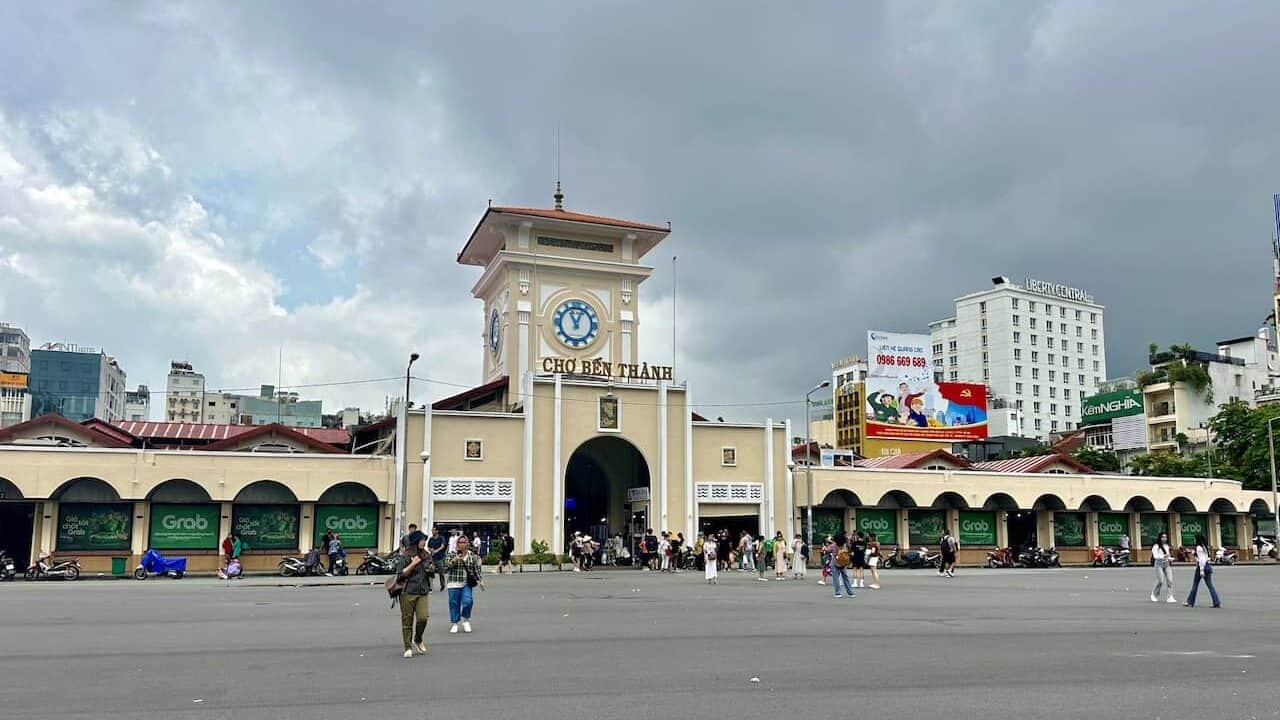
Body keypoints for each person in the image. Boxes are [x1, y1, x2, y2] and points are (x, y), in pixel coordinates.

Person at [394, 530, 433, 658]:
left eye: (425, 540)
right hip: (407, 591)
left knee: (423, 618)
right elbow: (400, 574)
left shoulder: (426, 555)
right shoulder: (406, 555)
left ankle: (418, 638)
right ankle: (407, 647)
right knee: (407, 621)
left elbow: (431, 570)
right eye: (422, 540)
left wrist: (431, 569)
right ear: (416, 541)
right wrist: (413, 563)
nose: (424, 542)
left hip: (422, 591)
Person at [445, 535, 484, 634]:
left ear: (467, 544)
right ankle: (455, 623)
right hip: (453, 583)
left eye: (464, 542)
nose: (462, 544)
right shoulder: (452, 554)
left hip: (466, 583)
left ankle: (466, 620)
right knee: (454, 604)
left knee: (468, 601)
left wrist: (480, 581)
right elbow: (446, 567)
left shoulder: (472, 556)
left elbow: (476, 570)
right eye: (460, 542)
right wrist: (456, 559)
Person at [1185, 533, 1221, 608]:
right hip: (1208, 566)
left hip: (1202, 566)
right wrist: (1193, 552)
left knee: (1195, 584)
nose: (1194, 540)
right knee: (1210, 585)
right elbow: (1204, 556)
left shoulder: (1198, 547)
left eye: (1195, 538)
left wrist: (1201, 570)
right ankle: (1216, 601)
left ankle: (1190, 602)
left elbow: (1202, 559)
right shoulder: (1204, 547)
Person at [1150, 531, 1176, 603]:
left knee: (1170, 580)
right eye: (1163, 537)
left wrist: (1170, 559)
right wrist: (1163, 556)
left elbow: (1168, 556)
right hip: (1159, 564)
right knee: (1160, 581)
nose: (1164, 538)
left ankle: (1170, 596)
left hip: (1166, 564)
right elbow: (1155, 556)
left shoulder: (1167, 546)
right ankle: (1154, 594)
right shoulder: (1156, 546)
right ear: (1160, 538)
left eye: (1165, 537)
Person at [830, 534, 855, 598]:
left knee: (836, 578)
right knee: (845, 578)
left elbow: (827, 550)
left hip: (835, 563)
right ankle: (851, 592)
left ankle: (838, 593)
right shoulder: (845, 546)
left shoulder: (834, 545)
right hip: (843, 563)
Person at [427, 527, 448, 591]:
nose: (432, 531)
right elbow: (428, 546)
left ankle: (442, 585)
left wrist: (436, 550)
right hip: (432, 558)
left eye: (434, 530)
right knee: (430, 572)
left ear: (437, 531)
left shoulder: (441, 538)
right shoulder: (431, 539)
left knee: (441, 572)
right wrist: (431, 550)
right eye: (432, 530)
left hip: (440, 558)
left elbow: (442, 546)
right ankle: (430, 587)